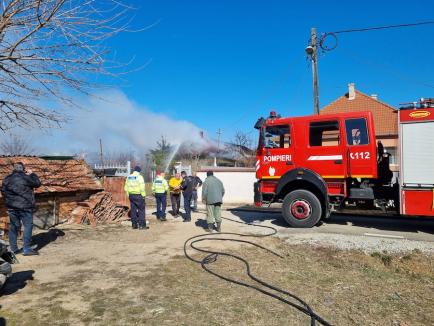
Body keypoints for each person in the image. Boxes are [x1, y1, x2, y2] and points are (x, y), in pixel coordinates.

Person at [1, 162, 41, 255]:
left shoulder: (7, 179)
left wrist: (10, 200)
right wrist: (32, 174)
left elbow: (3, 191)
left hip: (12, 207)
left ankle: (14, 249)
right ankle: (26, 249)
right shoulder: (26, 177)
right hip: (25, 207)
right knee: (27, 226)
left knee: (13, 227)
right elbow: (38, 183)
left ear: (14, 169)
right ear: (23, 169)